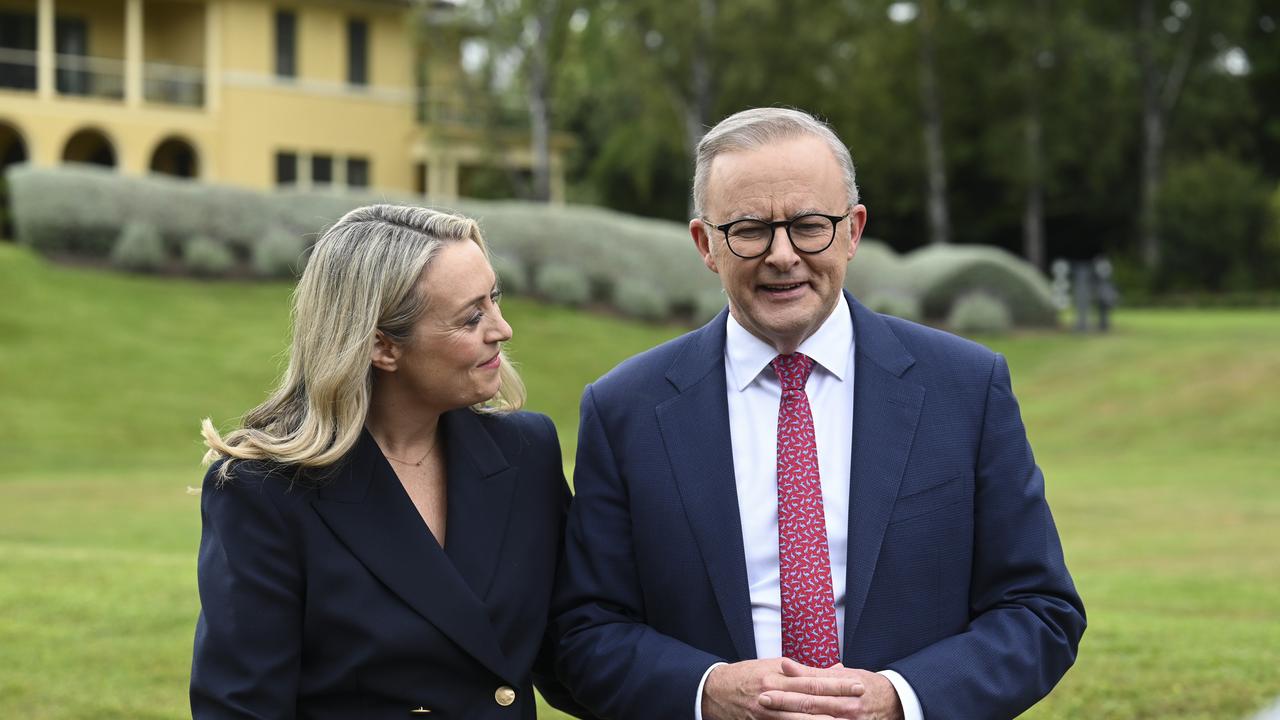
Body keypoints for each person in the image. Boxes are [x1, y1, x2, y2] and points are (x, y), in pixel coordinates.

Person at [552, 108, 1086, 720]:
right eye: (750, 229)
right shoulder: (626, 409)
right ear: (706, 244)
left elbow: (1039, 610)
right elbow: (585, 632)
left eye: (810, 225)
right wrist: (708, 692)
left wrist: (900, 700)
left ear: (853, 231)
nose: (782, 255)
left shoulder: (965, 387)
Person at [190, 204, 588, 719]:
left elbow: (572, 650)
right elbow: (241, 708)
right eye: (472, 316)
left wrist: (698, 688)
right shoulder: (262, 489)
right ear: (383, 346)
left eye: (495, 298)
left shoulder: (527, 452)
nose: (503, 328)